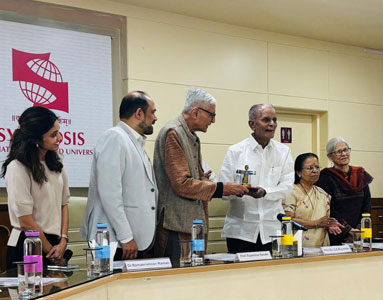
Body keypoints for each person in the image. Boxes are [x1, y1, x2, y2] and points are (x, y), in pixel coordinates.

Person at [153, 88, 248, 259]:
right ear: (196, 112)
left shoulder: (190, 135)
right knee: (177, 279)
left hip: (191, 223)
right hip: (175, 225)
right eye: (211, 115)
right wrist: (221, 188)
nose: (213, 120)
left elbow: (187, 178)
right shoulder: (173, 132)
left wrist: (201, 179)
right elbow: (182, 184)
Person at [81, 91, 158, 260]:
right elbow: (109, 193)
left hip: (129, 239)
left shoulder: (133, 141)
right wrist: (126, 237)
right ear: (139, 113)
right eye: (152, 112)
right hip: (113, 239)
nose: (155, 118)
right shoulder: (114, 137)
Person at [1, 106, 71, 269]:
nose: (59, 138)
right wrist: (51, 253)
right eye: (53, 135)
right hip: (27, 245)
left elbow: (64, 204)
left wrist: (63, 240)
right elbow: (25, 221)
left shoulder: (56, 162)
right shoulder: (17, 167)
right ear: (35, 139)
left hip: (55, 246)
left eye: (58, 132)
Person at [219, 104, 294, 253]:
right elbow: (223, 190)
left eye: (274, 120)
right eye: (266, 120)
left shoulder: (283, 151)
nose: (272, 124)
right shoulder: (236, 151)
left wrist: (265, 192)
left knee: (273, 275)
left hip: (272, 230)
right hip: (241, 230)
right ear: (252, 124)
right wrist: (241, 191)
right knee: (241, 275)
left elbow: (286, 187)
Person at [316, 137, 373, 245]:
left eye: (346, 150)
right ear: (330, 157)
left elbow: (367, 205)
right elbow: (329, 208)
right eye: (339, 151)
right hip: (337, 232)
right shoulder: (325, 177)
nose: (344, 154)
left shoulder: (360, 174)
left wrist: (359, 230)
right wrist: (348, 231)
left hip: (360, 232)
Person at [283, 153, 342, 247]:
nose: (315, 171)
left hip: (321, 246)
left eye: (317, 167)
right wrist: (315, 223)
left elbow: (324, 219)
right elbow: (288, 221)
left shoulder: (322, 193)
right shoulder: (291, 192)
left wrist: (329, 225)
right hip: (297, 246)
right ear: (298, 172)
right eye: (310, 168)